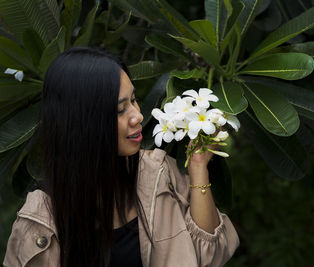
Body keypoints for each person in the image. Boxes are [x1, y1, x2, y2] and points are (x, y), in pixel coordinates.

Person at [3, 47, 239, 267]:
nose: (137, 115)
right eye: (119, 109)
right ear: (82, 124)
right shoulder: (39, 218)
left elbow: (211, 256)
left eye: (134, 100)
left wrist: (198, 166)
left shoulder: (159, 173)